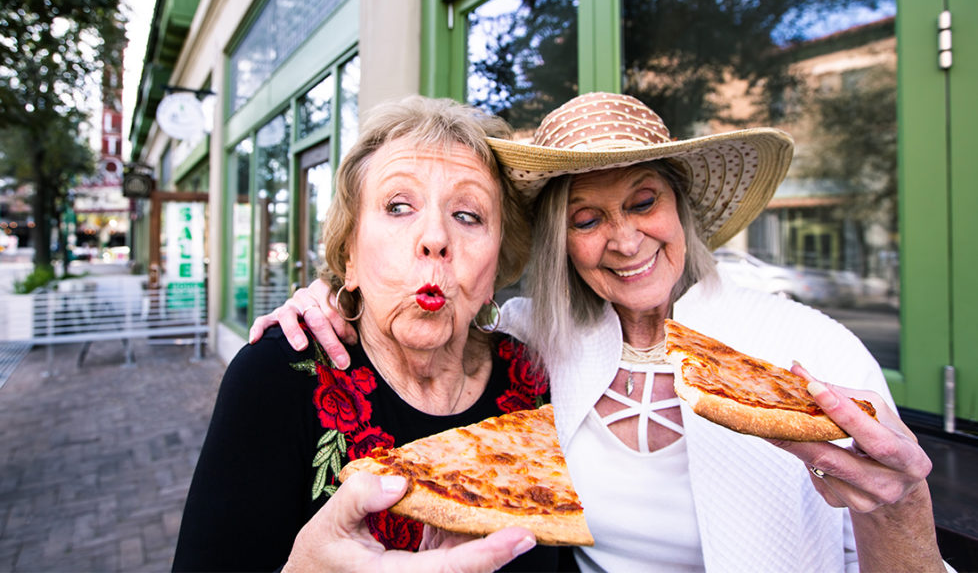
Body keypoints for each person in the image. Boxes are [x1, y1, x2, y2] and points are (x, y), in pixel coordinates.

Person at [252, 92, 946, 572]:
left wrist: (903, 505)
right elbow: (434, 309)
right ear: (562, 242)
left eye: (643, 201)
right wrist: (328, 298)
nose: (623, 239)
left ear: (681, 209)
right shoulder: (533, 346)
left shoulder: (808, 352)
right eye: (587, 219)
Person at [173, 96, 570, 572]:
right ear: (349, 258)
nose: (436, 237)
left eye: (468, 215)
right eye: (399, 206)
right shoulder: (279, 375)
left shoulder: (534, 378)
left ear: (496, 268)